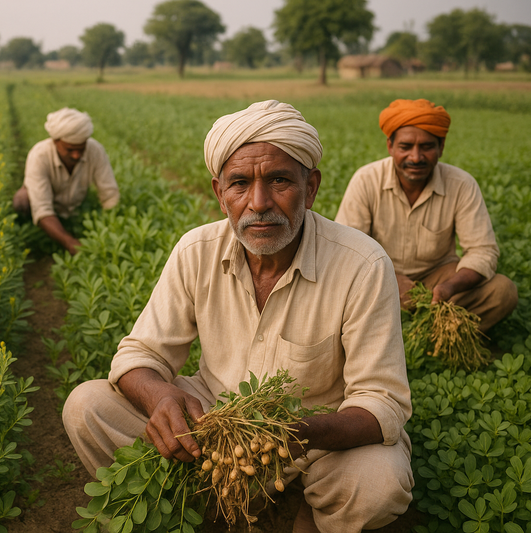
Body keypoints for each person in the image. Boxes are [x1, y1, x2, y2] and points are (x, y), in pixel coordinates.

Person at [62, 101, 413, 533]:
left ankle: (304, 512)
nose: (258, 202)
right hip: (215, 419)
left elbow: (382, 402)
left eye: (280, 180)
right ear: (219, 192)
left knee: (379, 482)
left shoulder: (361, 263)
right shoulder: (196, 250)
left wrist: (290, 433)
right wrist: (161, 398)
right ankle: (200, 508)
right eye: (240, 183)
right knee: (86, 406)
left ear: (311, 187)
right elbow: (140, 353)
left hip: (315, 437)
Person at [335, 98, 518, 331]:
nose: (415, 157)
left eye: (427, 147)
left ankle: (427, 335)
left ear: (441, 147)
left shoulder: (461, 185)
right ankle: (438, 332)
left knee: (503, 291)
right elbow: (348, 250)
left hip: (439, 280)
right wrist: (389, 278)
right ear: (390, 146)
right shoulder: (366, 180)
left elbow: (483, 250)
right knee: (338, 290)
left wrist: (449, 288)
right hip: (380, 279)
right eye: (405, 147)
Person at [12, 107, 120, 255]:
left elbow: (109, 193)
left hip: (74, 204)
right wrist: (70, 242)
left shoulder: (95, 150)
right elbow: (42, 208)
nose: (76, 155)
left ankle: (69, 220)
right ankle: (29, 233)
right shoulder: (39, 155)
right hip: (47, 205)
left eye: (81, 149)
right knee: (21, 200)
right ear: (56, 142)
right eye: (70, 150)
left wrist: (113, 230)